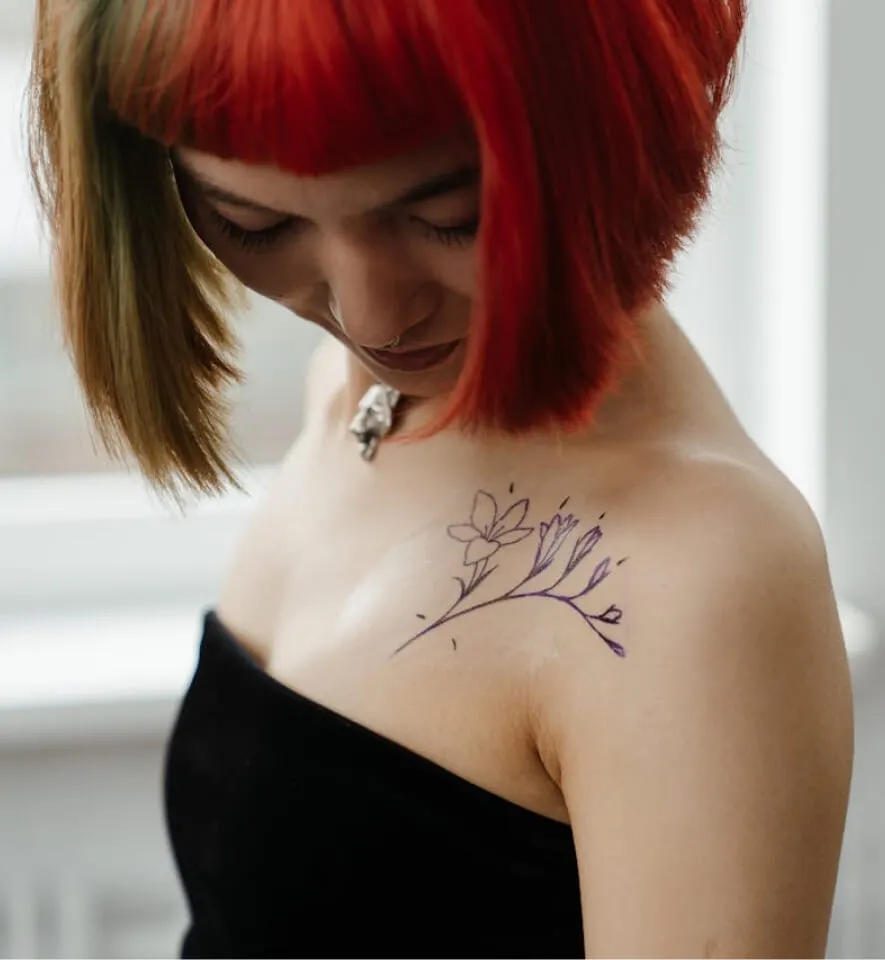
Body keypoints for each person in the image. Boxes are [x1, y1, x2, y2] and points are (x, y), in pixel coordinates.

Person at [27, 0, 854, 957]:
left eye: (446, 219)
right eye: (252, 223)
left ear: (615, 130)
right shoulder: (352, 393)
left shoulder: (700, 580)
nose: (371, 317)